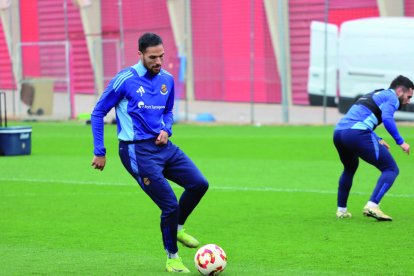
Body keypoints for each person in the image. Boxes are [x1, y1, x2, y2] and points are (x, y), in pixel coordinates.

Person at [90, 32, 209, 273]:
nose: (158, 61)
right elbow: (97, 113)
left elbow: (168, 111)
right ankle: (172, 258)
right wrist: (99, 151)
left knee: (199, 184)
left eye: (161, 56)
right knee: (169, 204)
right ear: (140, 55)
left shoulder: (167, 79)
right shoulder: (125, 80)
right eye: (153, 57)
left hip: (163, 146)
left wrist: (167, 129)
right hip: (136, 151)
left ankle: (177, 228)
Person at [333, 75, 413, 221]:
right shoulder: (392, 97)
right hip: (356, 133)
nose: (408, 101)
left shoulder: (374, 94)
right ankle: (372, 205)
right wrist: (400, 142)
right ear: (400, 90)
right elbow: (388, 119)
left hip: (338, 133)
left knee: (350, 168)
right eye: (409, 96)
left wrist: (377, 138)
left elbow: (359, 117)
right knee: (391, 169)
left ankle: (341, 210)